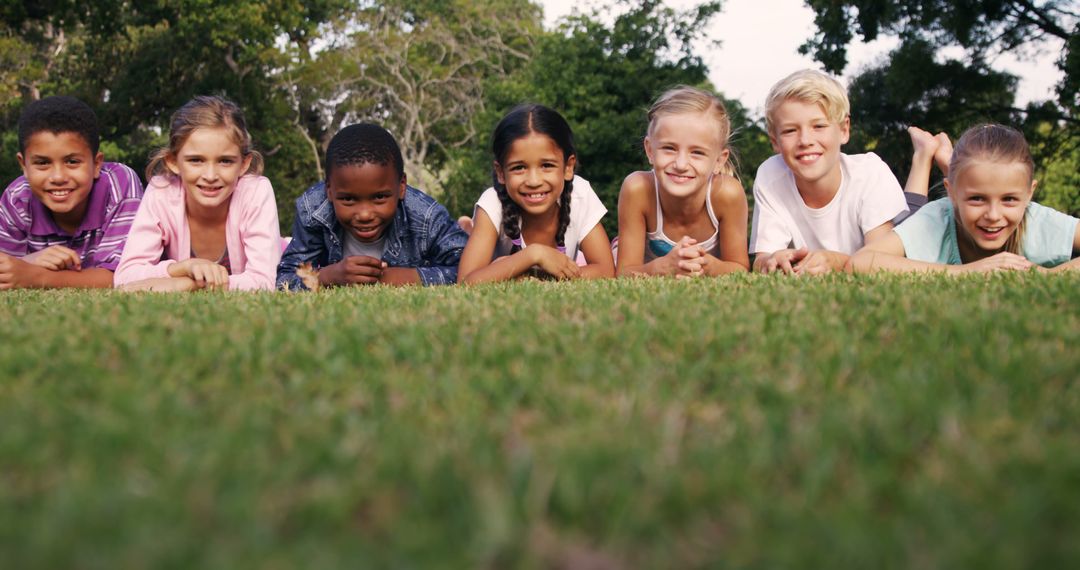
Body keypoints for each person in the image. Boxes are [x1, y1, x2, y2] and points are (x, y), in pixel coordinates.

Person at [750, 69, 922, 275]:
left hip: (904, 229)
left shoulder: (869, 172)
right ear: (774, 141)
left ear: (843, 130)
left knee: (917, 221)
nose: (805, 140)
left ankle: (923, 157)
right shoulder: (770, 175)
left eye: (819, 126)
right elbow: (760, 260)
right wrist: (772, 259)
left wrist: (837, 261)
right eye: (790, 131)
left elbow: (886, 260)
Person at [849, 124, 1080, 273]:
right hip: (925, 221)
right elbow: (860, 263)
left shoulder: (1035, 218)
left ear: (1030, 193)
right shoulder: (936, 217)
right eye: (977, 199)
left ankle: (947, 160)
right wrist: (969, 271)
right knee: (912, 213)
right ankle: (924, 155)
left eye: (1009, 199)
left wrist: (1049, 276)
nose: (993, 215)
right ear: (950, 193)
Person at [114, 96, 281, 291]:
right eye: (196, 160)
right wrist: (183, 268)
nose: (210, 176)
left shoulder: (256, 192)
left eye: (225, 161)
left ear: (244, 164)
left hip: (280, 252)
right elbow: (125, 277)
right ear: (173, 161)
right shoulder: (162, 192)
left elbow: (265, 282)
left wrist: (190, 284)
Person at [276, 123, 467, 290]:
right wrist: (327, 276)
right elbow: (284, 280)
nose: (365, 214)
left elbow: (469, 270)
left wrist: (413, 276)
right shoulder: (313, 211)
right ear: (329, 190)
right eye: (349, 199)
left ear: (401, 187)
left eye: (379, 197)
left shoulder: (426, 216)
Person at [457, 104, 614, 283]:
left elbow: (606, 270)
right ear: (501, 172)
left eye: (546, 165)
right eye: (519, 168)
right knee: (475, 249)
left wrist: (539, 276)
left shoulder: (579, 194)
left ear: (568, 167)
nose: (534, 181)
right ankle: (467, 228)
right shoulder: (492, 203)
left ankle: (468, 227)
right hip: (486, 248)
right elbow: (465, 281)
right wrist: (534, 254)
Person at [0, 96, 143, 289]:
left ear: (96, 164)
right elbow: (8, 270)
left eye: (72, 162)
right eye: (42, 163)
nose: (58, 177)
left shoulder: (120, 187)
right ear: (23, 165)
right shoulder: (17, 199)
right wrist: (31, 260)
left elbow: (121, 276)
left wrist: (36, 277)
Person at [616, 86, 749, 277]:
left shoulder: (727, 194)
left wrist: (707, 265)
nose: (680, 164)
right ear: (650, 150)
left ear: (719, 160)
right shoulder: (638, 189)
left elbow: (740, 267)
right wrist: (663, 267)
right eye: (669, 148)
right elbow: (624, 273)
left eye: (697, 153)